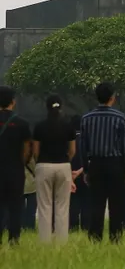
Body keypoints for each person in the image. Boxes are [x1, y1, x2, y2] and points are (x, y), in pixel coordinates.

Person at [78, 82, 125, 242]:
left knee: (96, 204)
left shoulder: (86, 119)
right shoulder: (120, 118)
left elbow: (83, 147)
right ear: (112, 98)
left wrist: (86, 169)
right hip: (115, 165)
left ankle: (95, 238)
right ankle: (115, 238)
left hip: (95, 164)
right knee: (116, 205)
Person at [32, 94, 74, 244]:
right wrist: (65, 160)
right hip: (63, 165)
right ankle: (62, 242)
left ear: (46, 107)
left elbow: (35, 151)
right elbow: (72, 150)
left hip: (44, 166)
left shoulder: (39, 126)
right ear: (61, 107)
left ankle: (45, 242)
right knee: (62, 206)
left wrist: (40, 162)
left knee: (44, 205)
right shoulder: (68, 125)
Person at [0, 86, 32, 245]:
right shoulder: (22, 123)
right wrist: (22, 163)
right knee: (15, 207)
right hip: (15, 171)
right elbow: (27, 149)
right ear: (13, 101)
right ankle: (14, 240)